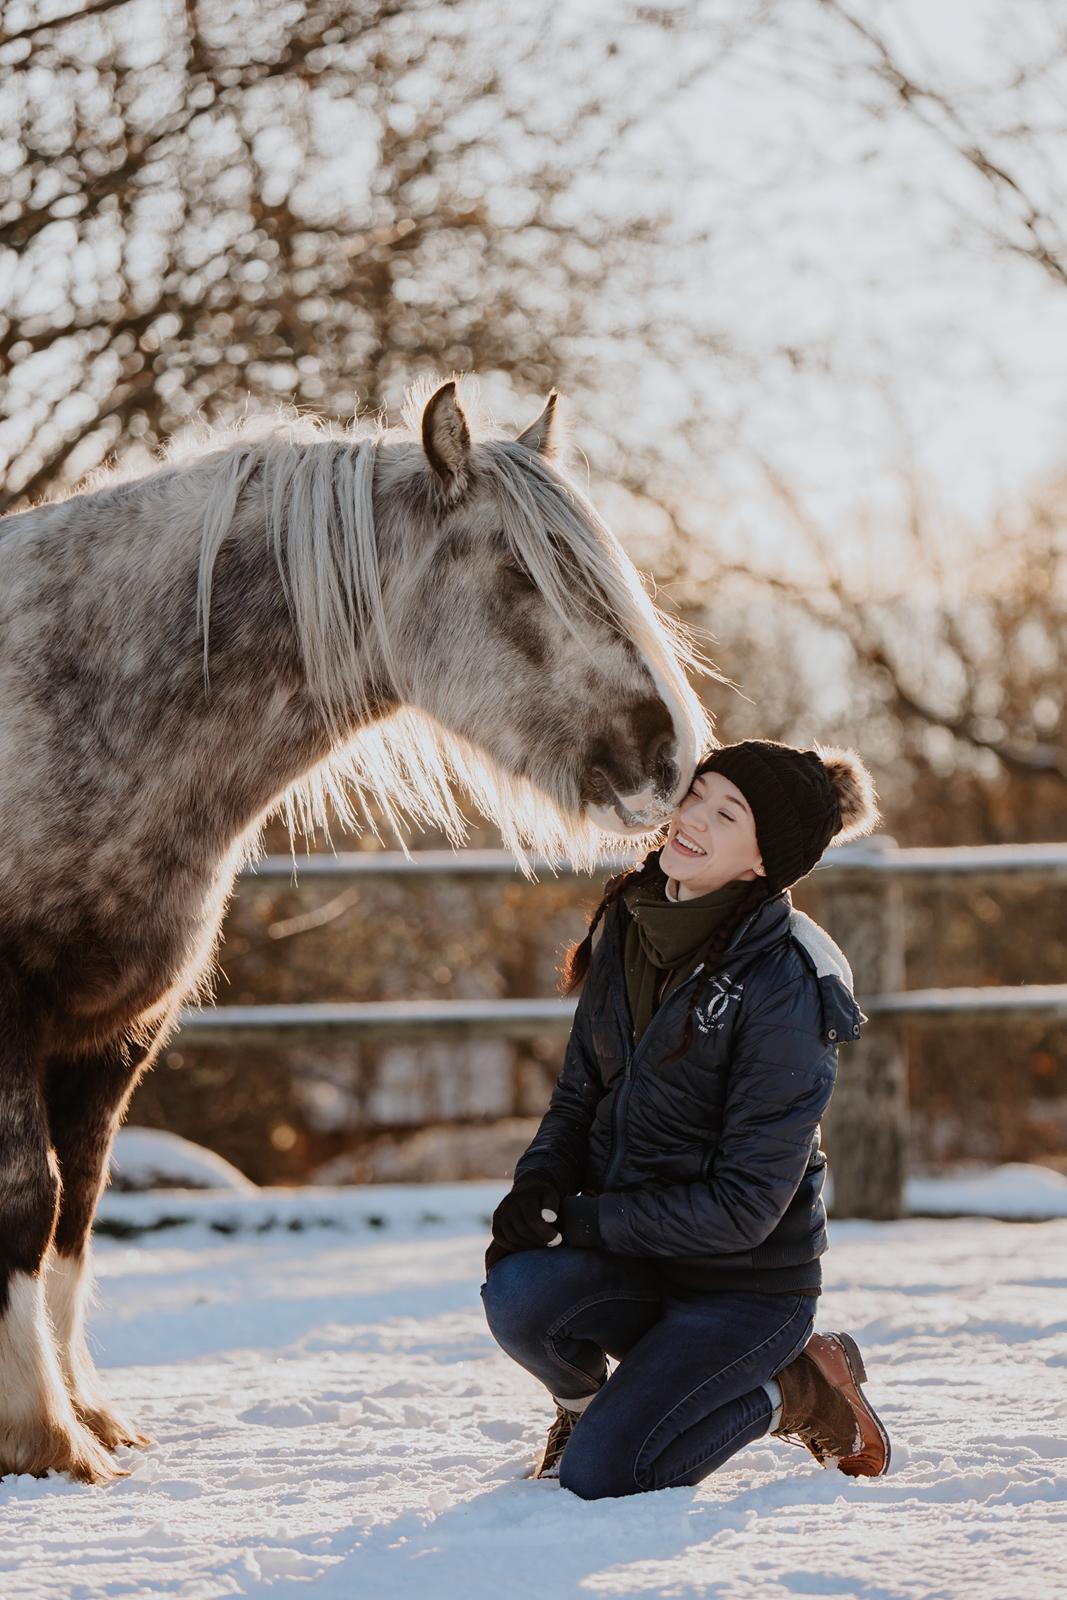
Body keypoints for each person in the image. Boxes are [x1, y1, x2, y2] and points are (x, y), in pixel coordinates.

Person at [480, 739, 892, 1499]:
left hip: (742, 1292)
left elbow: (742, 1210)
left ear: (763, 862)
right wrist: (536, 1190)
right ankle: (589, 1408)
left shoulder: (785, 985)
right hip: (641, 1265)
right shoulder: (631, 922)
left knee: (606, 1477)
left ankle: (795, 1389)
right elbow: (579, 1091)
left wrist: (583, 1223)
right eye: (693, 796)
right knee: (517, 1291)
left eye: (724, 814)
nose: (689, 821)